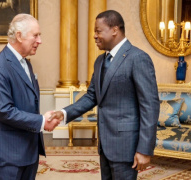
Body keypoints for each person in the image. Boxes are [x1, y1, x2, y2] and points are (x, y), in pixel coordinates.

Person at [50, 10, 160, 180]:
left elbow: (150, 106)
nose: (94, 36)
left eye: (98, 31)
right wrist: (63, 113)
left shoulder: (138, 58)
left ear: (114, 30)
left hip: (126, 146)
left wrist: (144, 149)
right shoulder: (100, 61)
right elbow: (91, 96)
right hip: (105, 146)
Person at [0, 14, 60, 180]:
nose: (40, 41)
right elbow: (4, 111)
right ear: (19, 35)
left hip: (28, 152)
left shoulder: (26, 63)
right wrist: (42, 121)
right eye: (35, 35)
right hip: (8, 155)